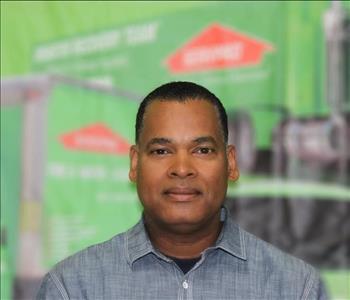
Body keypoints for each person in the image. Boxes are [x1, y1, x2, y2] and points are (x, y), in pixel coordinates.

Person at [37, 81, 327, 299]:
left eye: (202, 150)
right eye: (162, 151)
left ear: (231, 164)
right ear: (135, 164)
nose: (182, 168)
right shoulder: (73, 287)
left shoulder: (295, 288)